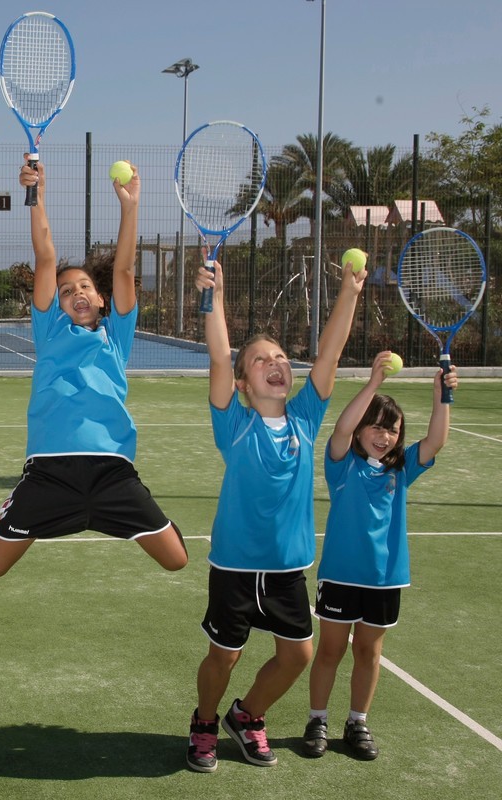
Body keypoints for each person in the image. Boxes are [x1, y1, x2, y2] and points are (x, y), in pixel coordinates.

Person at [187, 257, 364, 773]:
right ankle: (203, 722)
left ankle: (247, 716)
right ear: (244, 383)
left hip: (288, 567)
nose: (276, 362)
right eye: (261, 359)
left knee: (297, 657)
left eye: (282, 356)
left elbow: (329, 353)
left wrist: (349, 294)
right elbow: (221, 358)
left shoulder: (306, 419)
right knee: (225, 656)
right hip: (236, 566)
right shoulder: (235, 424)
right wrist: (215, 298)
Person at [0, 158, 187, 580]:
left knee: (176, 558)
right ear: (56, 304)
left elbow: (125, 269)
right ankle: (9, 514)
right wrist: (35, 195)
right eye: (67, 289)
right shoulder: (50, 330)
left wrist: (130, 207)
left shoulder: (117, 334)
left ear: (102, 300)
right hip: (49, 470)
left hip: (112, 471)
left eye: (85, 287)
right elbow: (45, 255)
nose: (77, 292)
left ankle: (100, 514)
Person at [301, 352, 456, 761]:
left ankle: (357, 721)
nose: (383, 435)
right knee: (331, 650)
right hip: (340, 576)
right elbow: (340, 429)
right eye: (375, 425)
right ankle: (318, 719)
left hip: (386, 578)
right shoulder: (342, 464)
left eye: (391, 429)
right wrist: (372, 384)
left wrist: (442, 399)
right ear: (360, 430)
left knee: (369, 652)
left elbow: (437, 440)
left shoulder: (401, 469)